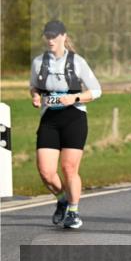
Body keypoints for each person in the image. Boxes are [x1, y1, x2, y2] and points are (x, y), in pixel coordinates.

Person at [30, 20, 102, 230]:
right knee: (46, 172)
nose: (51, 39)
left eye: (55, 35)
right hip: (50, 119)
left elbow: (96, 91)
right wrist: (35, 97)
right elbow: (33, 87)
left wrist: (75, 98)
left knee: (69, 168)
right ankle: (62, 199)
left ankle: (73, 211)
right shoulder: (38, 62)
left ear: (63, 36)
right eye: (48, 36)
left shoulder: (77, 61)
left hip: (74, 118)